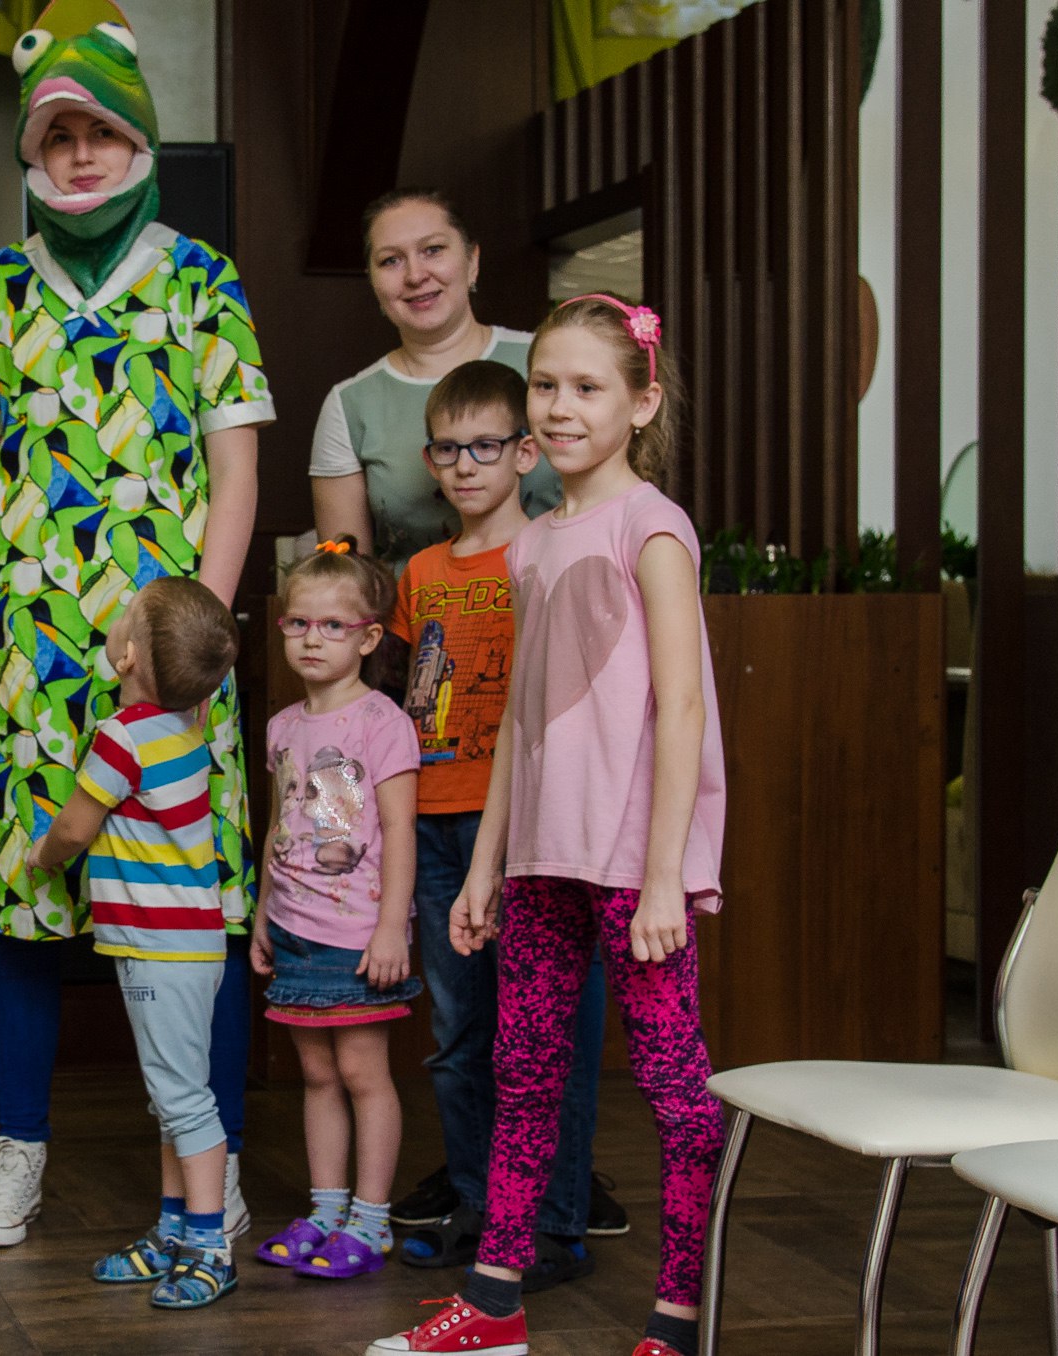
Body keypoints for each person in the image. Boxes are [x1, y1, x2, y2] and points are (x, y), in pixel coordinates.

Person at [0, 0, 273, 1249]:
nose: (78, 155)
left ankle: (213, 1177)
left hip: (166, 665)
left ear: (138, 139)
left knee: (197, 920)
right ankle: (18, 1155)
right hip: (26, 655)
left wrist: (199, 648)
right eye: (55, 135)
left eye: (100, 132)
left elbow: (235, 472)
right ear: (32, 152)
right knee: (24, 903)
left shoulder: (201, 278)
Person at [365, 295, 729, 1356]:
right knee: (521, 1078)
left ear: (640, 402)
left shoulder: (651, 528)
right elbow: (521, 719)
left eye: (587, 387)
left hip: (631, 867)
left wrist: (663, 876)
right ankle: (492, 1305)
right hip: (539, 859)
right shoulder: (531, 546)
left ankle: (677, 1316)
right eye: (546, 386)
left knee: (675, 1091)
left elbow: (682, 706)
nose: (561, 408)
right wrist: (487, 864)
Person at [385, 363, 600, 1290]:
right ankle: (481, 1207)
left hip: (524, 827)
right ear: (430, 461)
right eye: (448, 448)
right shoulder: (420, 574)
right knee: (459, 1033)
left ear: (524, 453)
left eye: (485, 446)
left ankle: (555, 1221)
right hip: (433, 825)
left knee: (545, 1033)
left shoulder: (548, 552)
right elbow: (404, 698)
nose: (465, 464)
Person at [28, 576, 244, 1309]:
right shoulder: (185, 722)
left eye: (125, 620)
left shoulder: (123, 738)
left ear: (124, 657)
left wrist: (42, 856)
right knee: (171, 1097)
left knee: (184, 1100)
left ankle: (211, 1246)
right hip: (187, 946)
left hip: (161, 949)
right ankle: (174, 1232)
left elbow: (74, 827)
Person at [249, 542, 422, 1282]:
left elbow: (400, 830)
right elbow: (279, 827)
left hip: (356, 936)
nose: (312, 640)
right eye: (298, 624)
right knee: (316, 1074)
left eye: (332, 626)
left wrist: (391, 929)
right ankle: (325, 1211)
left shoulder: (382, 722)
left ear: (369, 637)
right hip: (294, 929)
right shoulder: (283, 726)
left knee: (361, 1072)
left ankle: (371, 1220)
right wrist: (264, 914)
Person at [310, 189, 560, 569]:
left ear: (472, 261)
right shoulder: (350, 405)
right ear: (372, 280)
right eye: (391, 260)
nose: (415, 275)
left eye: (433, 250)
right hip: (412, 606)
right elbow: (347, 580)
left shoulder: (548, 362)